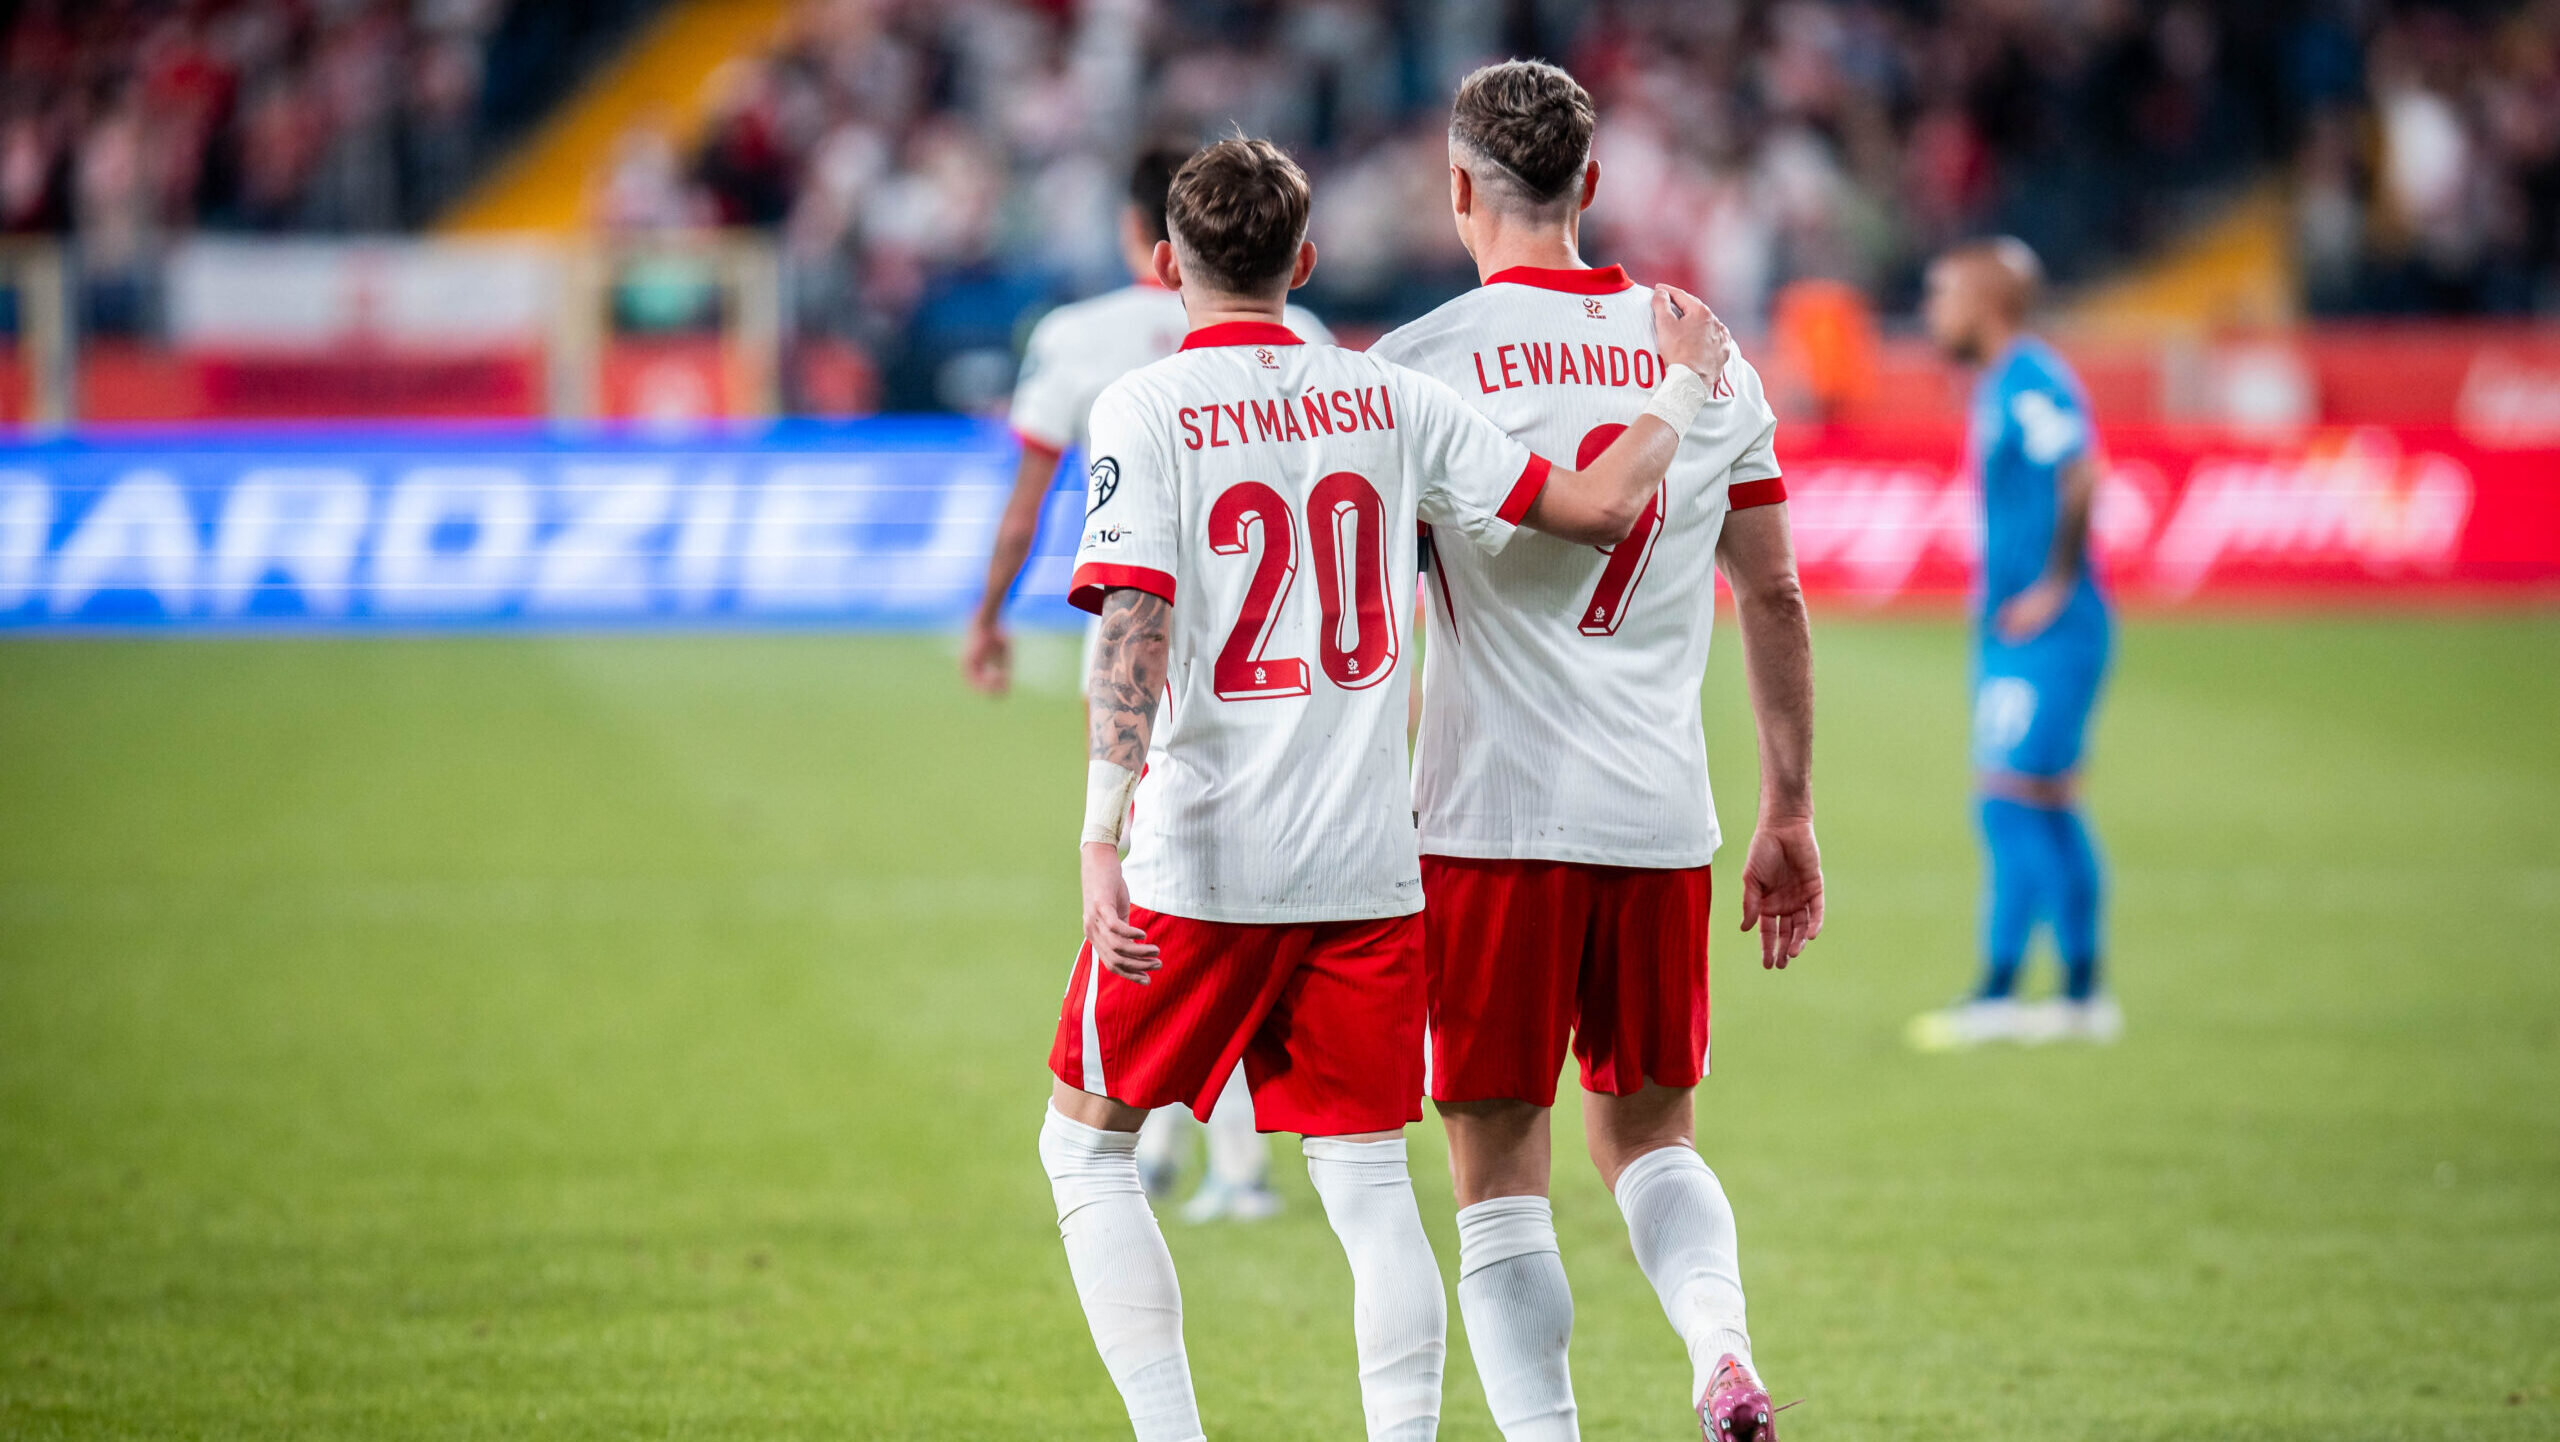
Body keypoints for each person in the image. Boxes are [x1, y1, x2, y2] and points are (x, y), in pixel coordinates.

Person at [1039, 135, 1730, 1442]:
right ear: (1304, 260)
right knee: (1366, 1181)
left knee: (1083, 1144)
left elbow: (1135, 618)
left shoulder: (1143, 405)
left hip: (1202, 853)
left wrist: (1098, 829)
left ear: (1165, 265)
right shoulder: (1389, 396)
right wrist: (1685, 385)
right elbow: (1593, 509)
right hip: (1368, 864)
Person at [1370, 60, 1821, 1442]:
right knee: (1651, 1136)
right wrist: (1789, 809)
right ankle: (1720, 1347)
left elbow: (1375, 618)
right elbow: (1774, 592)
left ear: (1458, 188)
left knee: (1498, 1172)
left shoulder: (1420, 363)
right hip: (1658, 815)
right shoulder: (1704, 351)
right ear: (1592, 184)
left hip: (1485, 820)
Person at [968, 145, 1333, 1222]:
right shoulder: (1309, 337)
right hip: (1287, 662)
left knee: (1162, 882)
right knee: (1235, 894)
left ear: (1149, 236)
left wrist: (988, 615)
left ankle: (1200, 1151)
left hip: (1141, 650)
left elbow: (1028, 499)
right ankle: (1197, 1148)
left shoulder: (1080, 338)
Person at [1907, 238, 2122, 1051]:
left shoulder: (2030, 379)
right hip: (2022, 631)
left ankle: (2000, 993)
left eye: (1944, 295)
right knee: (2048, 801)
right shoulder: (2002, 381)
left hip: (2047, 632)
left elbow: (2083, 471)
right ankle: (2080, 995)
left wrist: (2056, 583)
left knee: (2005, 799)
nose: (1932, 311)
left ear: (1986, 303)